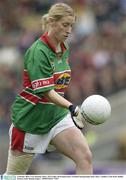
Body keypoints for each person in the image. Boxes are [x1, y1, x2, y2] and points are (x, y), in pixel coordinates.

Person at [4, 3, 93, 175]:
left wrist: (66, 109)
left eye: (71, 26)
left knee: (84, 156)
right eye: (65, 25)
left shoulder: (63, 47)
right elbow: (46, 91)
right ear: (52, 22)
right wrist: (72, 107)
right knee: (14, 176)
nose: (69, 30)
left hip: (56, 118)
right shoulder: (38, 51)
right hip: (30, 121)